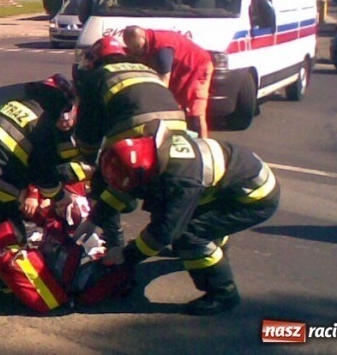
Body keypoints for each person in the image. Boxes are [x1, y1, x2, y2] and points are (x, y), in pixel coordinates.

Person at [92, 130, 280, 315]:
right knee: (185, 221)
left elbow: (164, 232)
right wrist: (94, 217)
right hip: (233, 179)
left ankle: (223, 292)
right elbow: (126, 187)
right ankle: (215, 245)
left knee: (188, 235)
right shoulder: (151, 148)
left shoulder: (180, 181)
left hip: (254, 198)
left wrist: (127, 256)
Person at [72, 36, 188, 260]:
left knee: (107, 178)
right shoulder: (146, 68)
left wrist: (88, 159)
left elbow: (89, 130)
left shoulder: (98, 77)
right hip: (177, 131)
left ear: (96, 59)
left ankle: (114, 244)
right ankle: (184, 238)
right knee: (168, 186)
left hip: (140, 132)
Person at [0, 74, 85, 237]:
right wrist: (61, 196)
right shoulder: (45, 124)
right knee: (14, 237)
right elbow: (42, 172)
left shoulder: (17, 103)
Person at [123, 25, 214, 138]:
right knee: (176, 107)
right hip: (179, 72)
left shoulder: (162, 49)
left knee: (195, 111)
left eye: (137, 47)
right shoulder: (141, 46)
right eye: (131, 48)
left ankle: (203, 143)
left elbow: (163, 84)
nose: (135, 51)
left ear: (143, 36)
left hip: (198, 67)